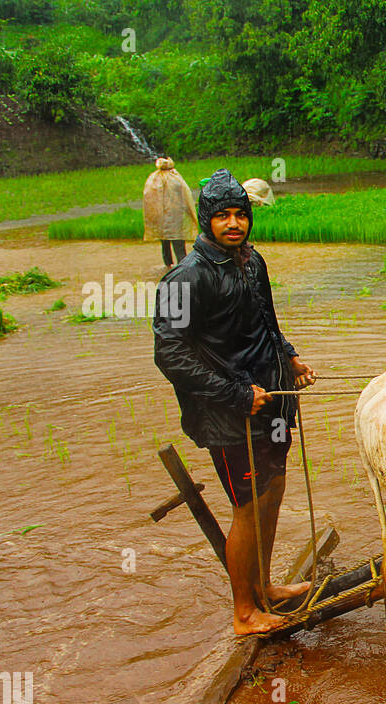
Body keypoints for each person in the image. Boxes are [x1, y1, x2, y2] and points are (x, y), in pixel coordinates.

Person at [153, 169, 317, 635]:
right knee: (246, 505)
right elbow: (170, 352)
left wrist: (290, 357)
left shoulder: (252, 261)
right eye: (222, 216)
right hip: (229, 414)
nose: (233, 224)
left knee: (274, 490)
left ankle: (264, 586)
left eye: (239, 215)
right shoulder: (185, 279)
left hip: (273, 401)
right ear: (205, 220)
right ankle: (244, 612)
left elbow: (267, 322)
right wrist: (235, 393)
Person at [143, 157, 198, 269]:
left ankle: (168, 264)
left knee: (165, 240)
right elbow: (185, 196)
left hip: (161, 216)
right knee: (178, 240)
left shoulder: (154, 179)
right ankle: (183, 266)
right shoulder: (175, 178)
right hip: (176, 214)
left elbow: (149, 199)